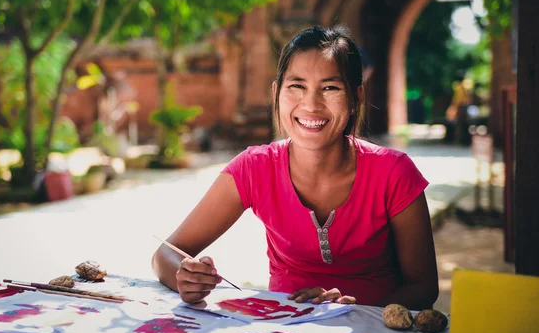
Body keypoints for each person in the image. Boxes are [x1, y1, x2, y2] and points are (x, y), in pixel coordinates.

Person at [152, 25, 439, 310]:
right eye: (297, 86)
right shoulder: (254, 168)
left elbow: (423, 288)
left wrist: (358, 309)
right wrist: (185, 278)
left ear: (357, 98)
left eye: (330, 88)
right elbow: (165, 253)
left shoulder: (394, 173)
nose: (311, 104)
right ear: (277, 93)